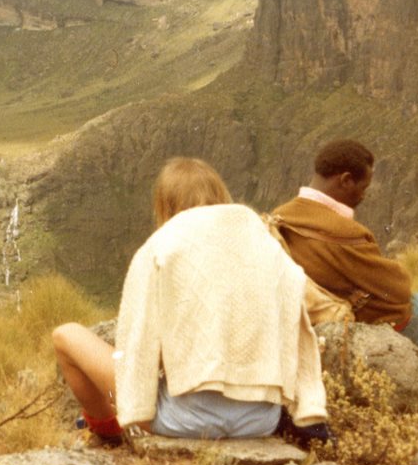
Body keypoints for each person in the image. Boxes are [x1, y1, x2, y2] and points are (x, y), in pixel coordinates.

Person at [52, 158, 328, 445]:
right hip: (261, 420)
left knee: (65, 335)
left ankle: (107, 433)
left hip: (182, 421)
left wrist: (131, 408)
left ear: (165, 204)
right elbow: (297, 325)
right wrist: (308, 410)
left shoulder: (160, 247)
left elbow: (139, 345)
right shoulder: (265, 243)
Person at [271, 139, 418, 347]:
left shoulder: (279, 216)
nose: (364, 196)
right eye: (363, 187)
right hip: (376, 324)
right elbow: (399, 288)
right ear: (346, 180)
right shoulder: (346, 235)